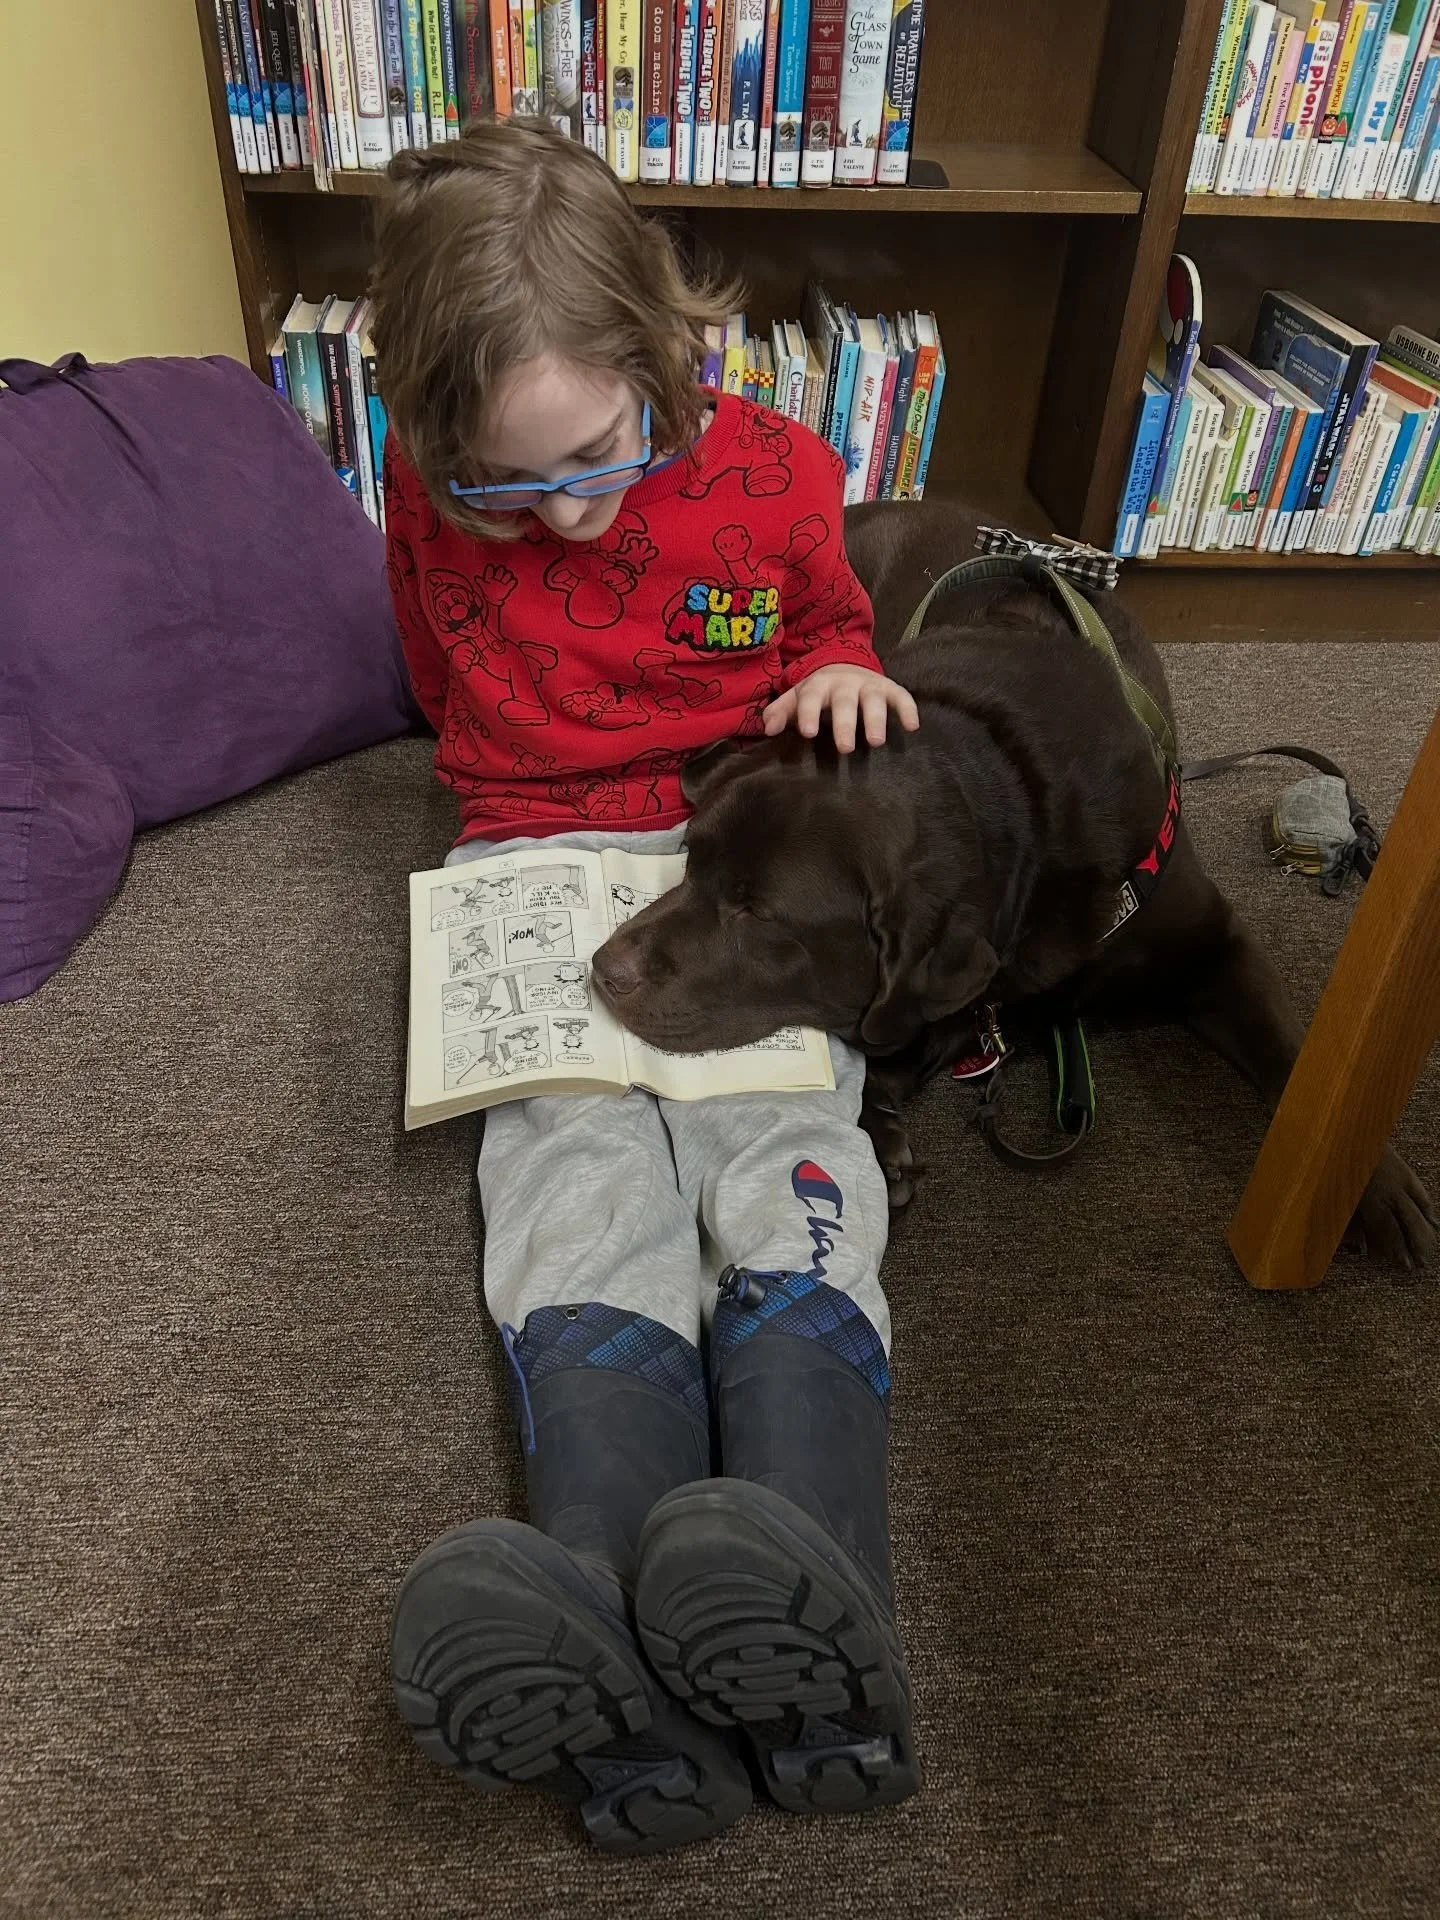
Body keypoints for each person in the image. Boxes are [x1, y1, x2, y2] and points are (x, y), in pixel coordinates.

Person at [371, 116, 921, 1856]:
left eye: (594, 458)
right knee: (575, 1182)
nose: (565, 519)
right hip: (530, 867)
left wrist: (838, 676)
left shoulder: (775, 470)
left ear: (665, 355)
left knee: (783, 1160)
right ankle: (624, 1646)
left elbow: (835, 621)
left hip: (731, 853)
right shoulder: (418, 482)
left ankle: (817, 1604)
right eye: (500, 489)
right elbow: (441, 674)